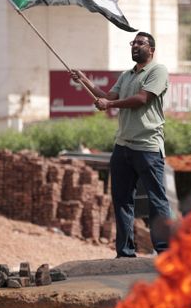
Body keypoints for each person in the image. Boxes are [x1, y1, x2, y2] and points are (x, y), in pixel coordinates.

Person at [70, 32, 170, 257]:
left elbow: (142, 99)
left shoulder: (158, 70)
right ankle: (125, 252)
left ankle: (164, 250)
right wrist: (84, 80)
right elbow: (107, 95)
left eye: (140, 43)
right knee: (122, 199)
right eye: (133, 43)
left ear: (151, 50)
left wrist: (110, 103)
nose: (135, 46)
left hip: (148, 146)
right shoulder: (126, 76)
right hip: (123, 145)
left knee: (157, 199)